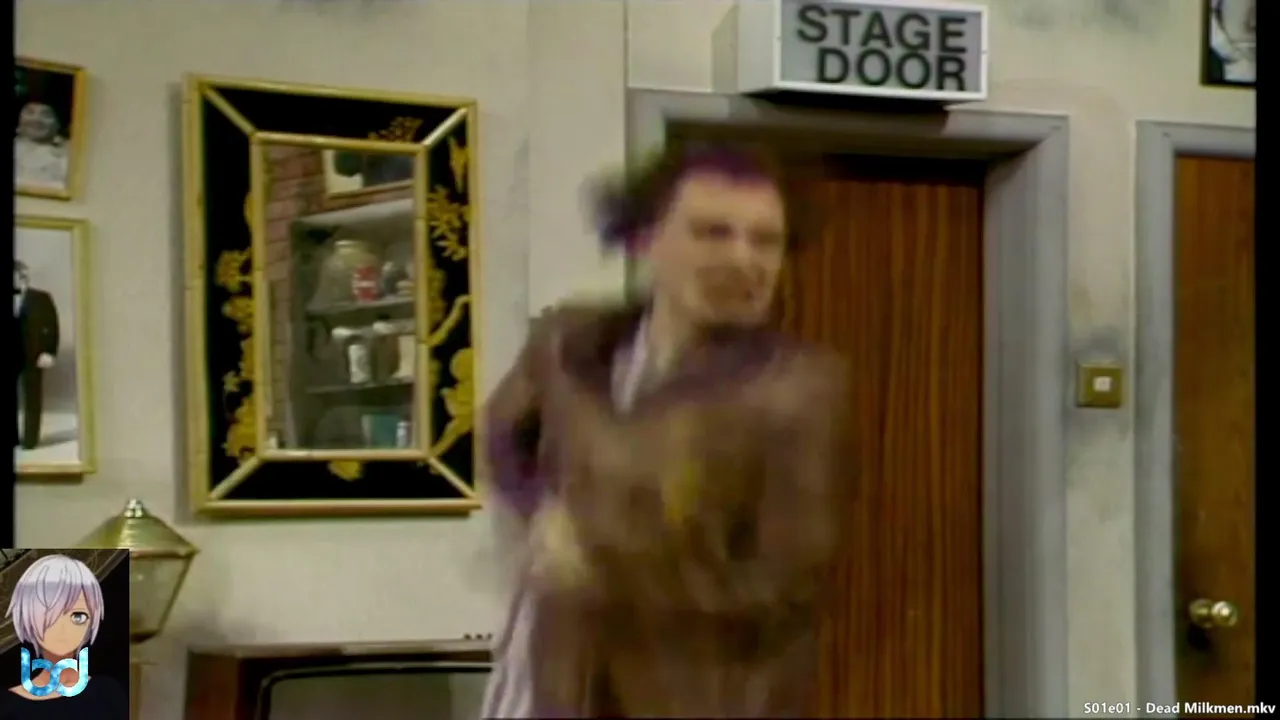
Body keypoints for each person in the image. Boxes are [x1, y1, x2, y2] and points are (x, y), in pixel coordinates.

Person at [480, 145, 851, 717]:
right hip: (552, 678)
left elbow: (782, 590)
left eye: (765, 240)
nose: (743, 258)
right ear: (645, 239)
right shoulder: (571, 344)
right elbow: (503, 434)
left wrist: (598, 560)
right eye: (712, 233)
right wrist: (540, 514)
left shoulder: (797, 390)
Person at [0, 554, 128, 720]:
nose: (63, 628)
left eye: (77, 616)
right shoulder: (8, 706)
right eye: (50, 615)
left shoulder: (108, 692)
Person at [15, 261, 61, 451]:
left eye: (19, 275)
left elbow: (52, 325)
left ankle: (30, 440)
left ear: (24, 277)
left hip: (32, 356)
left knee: (32, 397)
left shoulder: (41, 298)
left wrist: (49, 352)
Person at [14, 99, 70, 191]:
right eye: (30, 112)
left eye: (46, 115)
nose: (36, 119)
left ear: (58, 123)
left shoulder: (70, 158)